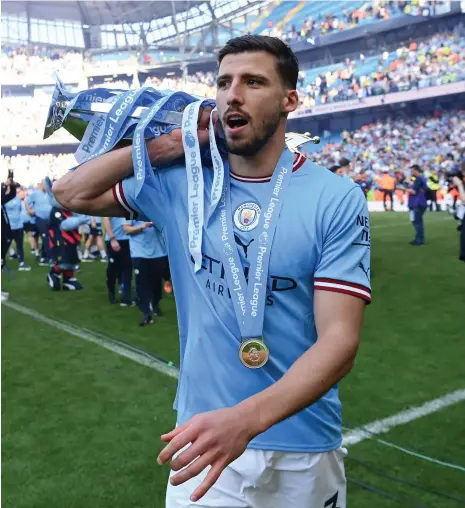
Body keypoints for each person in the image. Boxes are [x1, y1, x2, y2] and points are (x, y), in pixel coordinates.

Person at [52, 35, 371, 508]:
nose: (232, 94)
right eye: (223, 82)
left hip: (304, 444)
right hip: (203, 438)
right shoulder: (183, 180)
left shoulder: (336, 197)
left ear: (290, 100)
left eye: (253, 81)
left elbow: (340, 343)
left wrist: (245, 419)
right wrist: (164, 146)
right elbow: (71, 193)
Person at [123, 219, 167, 325]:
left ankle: (155, 305)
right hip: (139, 252)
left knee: (156, 282)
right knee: (142, 283)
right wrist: (143, 226)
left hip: (158, 251)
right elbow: (126, 229)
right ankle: (146, 313)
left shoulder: (155, 207)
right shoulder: (132, 210)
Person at [103, 216, 133, 306]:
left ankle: (126, 297)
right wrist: (112, 238)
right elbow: (106, 219)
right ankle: (111, 292)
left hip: (127, 239)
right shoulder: (112, 204)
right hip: (114, 239)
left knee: (128, 268)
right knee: (113, 269)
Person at [407, 164, 428, 245]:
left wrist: (405, 189)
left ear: (416, 170)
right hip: (421, 202)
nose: (411, 172)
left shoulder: (418, 179)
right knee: (418, 222)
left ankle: (419, 240)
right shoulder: (422, 178)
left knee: (417, 222)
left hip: (417, 202)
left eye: (412, 170)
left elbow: (414, 191)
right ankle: (418, 238)